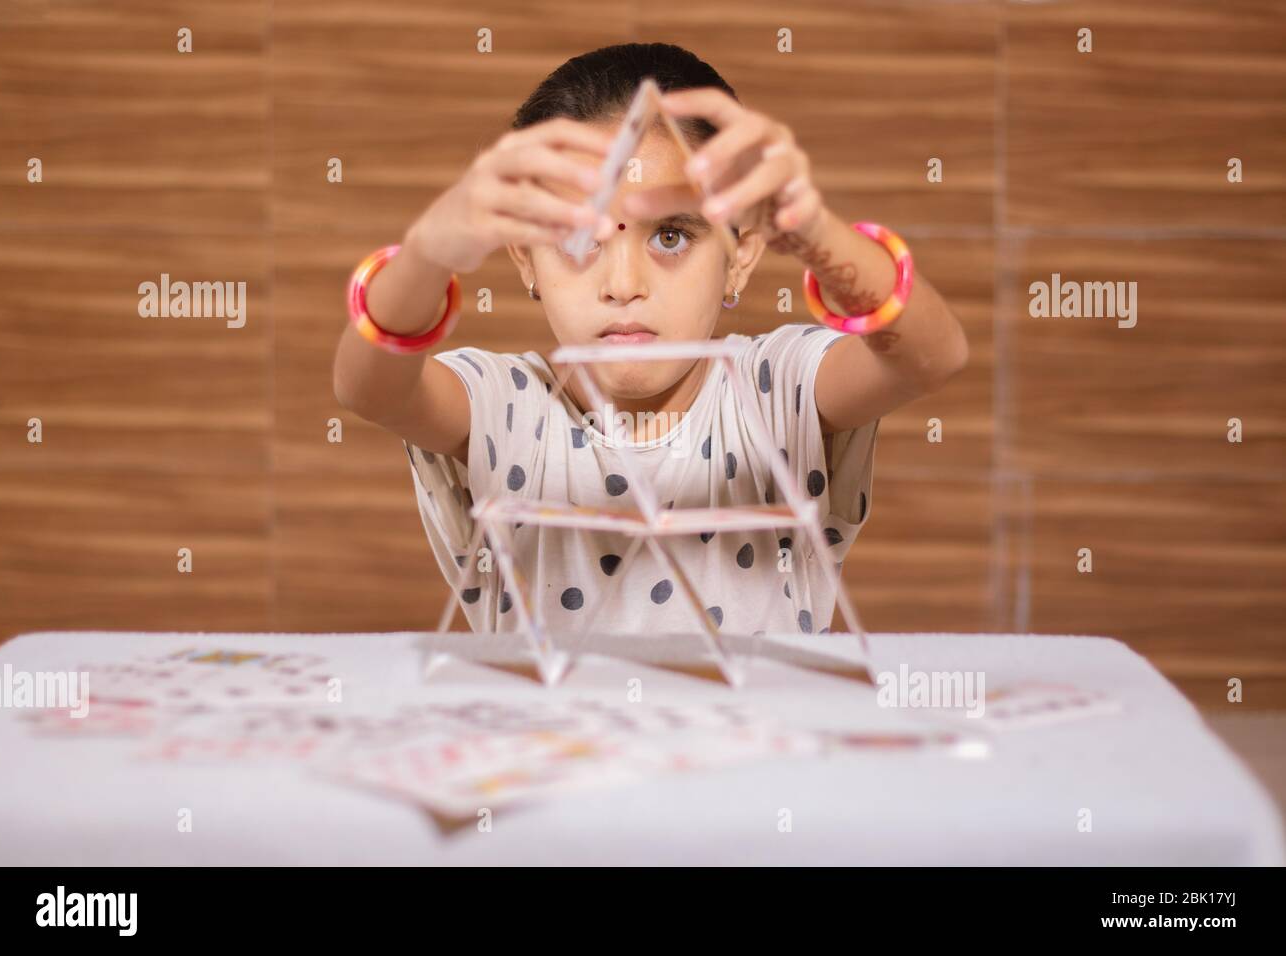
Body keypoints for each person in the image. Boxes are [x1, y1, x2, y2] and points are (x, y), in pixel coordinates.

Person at [332, 42, 968, 636]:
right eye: (579, 241)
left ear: (741, 253)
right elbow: (369, 389)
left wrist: (814, 231)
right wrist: (426, 251)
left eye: (671, 236)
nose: (623, 284)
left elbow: (932, 355)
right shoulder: (503, 405)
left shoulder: (778, 388)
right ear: (525, 260)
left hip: (756, 748)